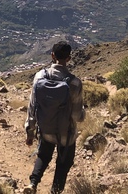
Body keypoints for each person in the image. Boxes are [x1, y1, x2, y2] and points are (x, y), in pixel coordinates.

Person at [23, 41, 85, 194]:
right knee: (64, 163)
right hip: (67, 133)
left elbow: (33, 107)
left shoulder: (39, 77)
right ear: (69, 58)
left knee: (43, 156)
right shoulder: (75, 83)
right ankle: (55, 192)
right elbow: (77, 116)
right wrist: (83, 114)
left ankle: (33, 183)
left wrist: (30, 132)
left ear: (52, 55)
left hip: (46, 129)